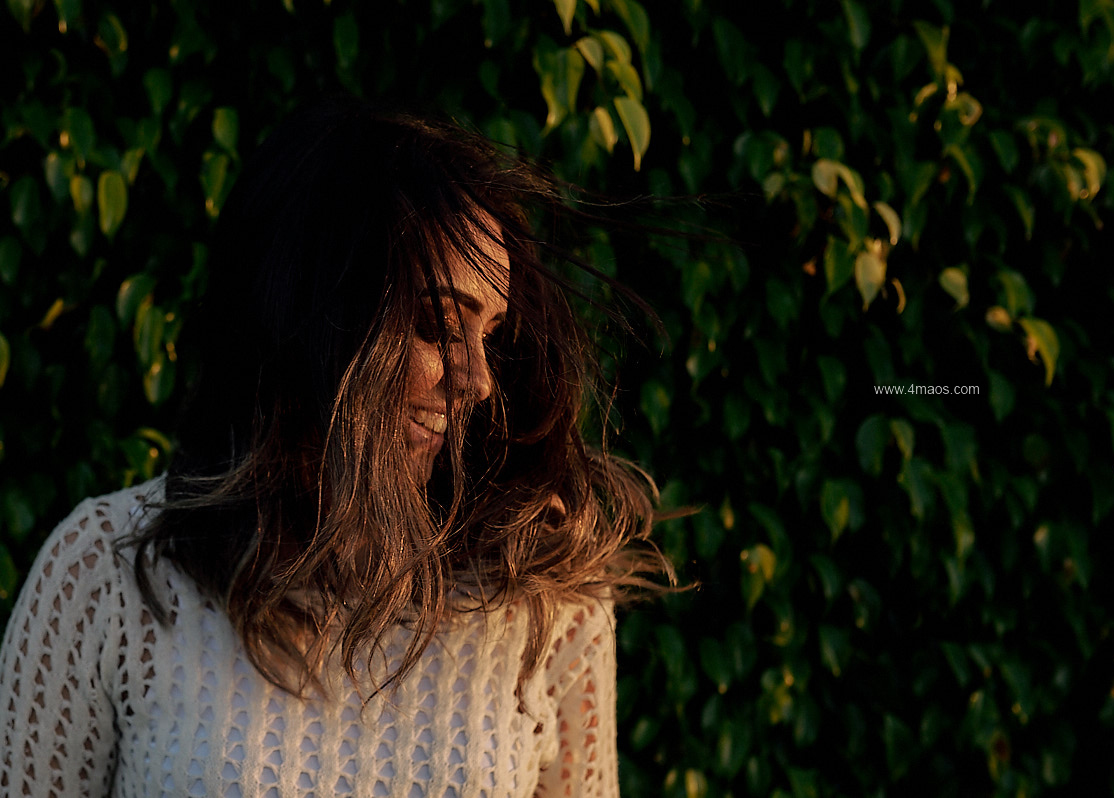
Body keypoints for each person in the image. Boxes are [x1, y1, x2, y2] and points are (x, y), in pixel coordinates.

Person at [0, 98, 671, 797]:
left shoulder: (545, 606)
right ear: (311, 320)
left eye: (492, 333)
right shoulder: (105, 575)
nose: (478, 382)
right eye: (437, 323)